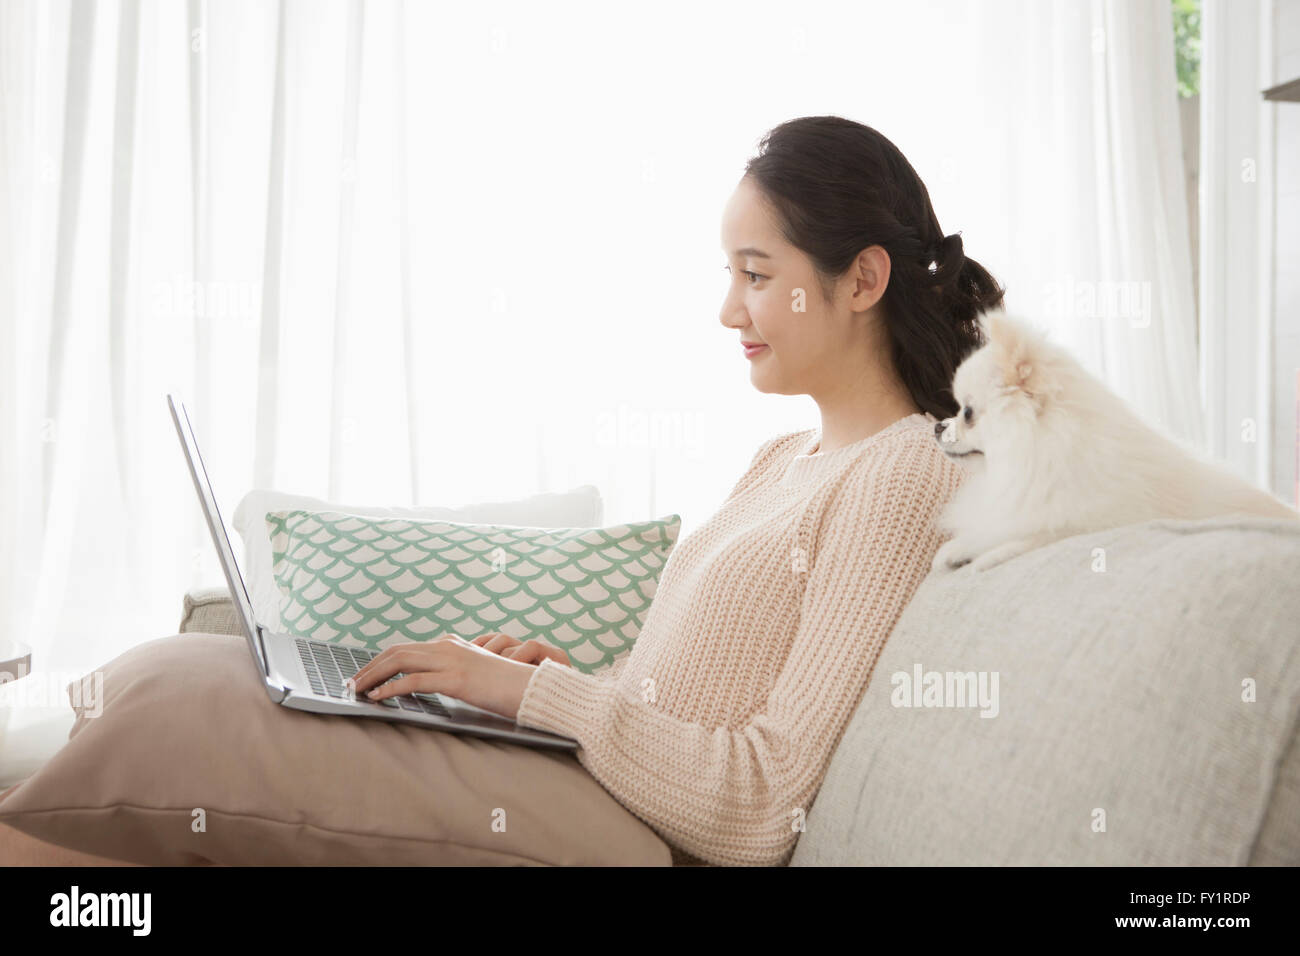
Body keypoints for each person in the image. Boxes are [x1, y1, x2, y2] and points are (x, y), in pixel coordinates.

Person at [349, 115, 1006, 866]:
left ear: (862, 279)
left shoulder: (906, 472)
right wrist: (559, 685)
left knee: (238, 733)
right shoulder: (780, 459)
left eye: (756, 276)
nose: (730, 311)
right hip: (582, 804)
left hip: (622, 842)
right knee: (280, 709)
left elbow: (767, 799)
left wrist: (530, 697)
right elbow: (681, 709)